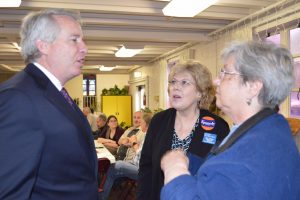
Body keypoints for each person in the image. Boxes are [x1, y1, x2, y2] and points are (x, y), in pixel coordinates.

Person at [160, 41, 300, 200]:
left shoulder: (250, 156)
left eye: (225, 73)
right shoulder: (268, 128)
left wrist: (175, 169)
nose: (215, 81)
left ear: (253, 87)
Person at [0, 9, 99, 199]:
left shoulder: (53, 92)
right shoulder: (18, 98)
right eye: (74, 39)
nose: (84, 47)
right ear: (43, 45)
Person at [138, 61, 230, 200]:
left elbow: (221, 178)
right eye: (173, 82)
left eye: (185, 82)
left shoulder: (218, 127)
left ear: (200, 93)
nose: (176, 87)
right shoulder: (159, 121)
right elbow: (146, 168)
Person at [100, 112, 153, 200]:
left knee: (117, 165)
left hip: (140, 168)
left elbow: (142, 155)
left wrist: (134, 143)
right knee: (110, 171)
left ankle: (102, 195)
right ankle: (102, 196)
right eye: (135, 117)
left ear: (146, 124)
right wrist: (129, 141)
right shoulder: (131, 130)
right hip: (133, 163)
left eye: (140, 120)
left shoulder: (147, 135)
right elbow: (120, 141)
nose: (138, 121)